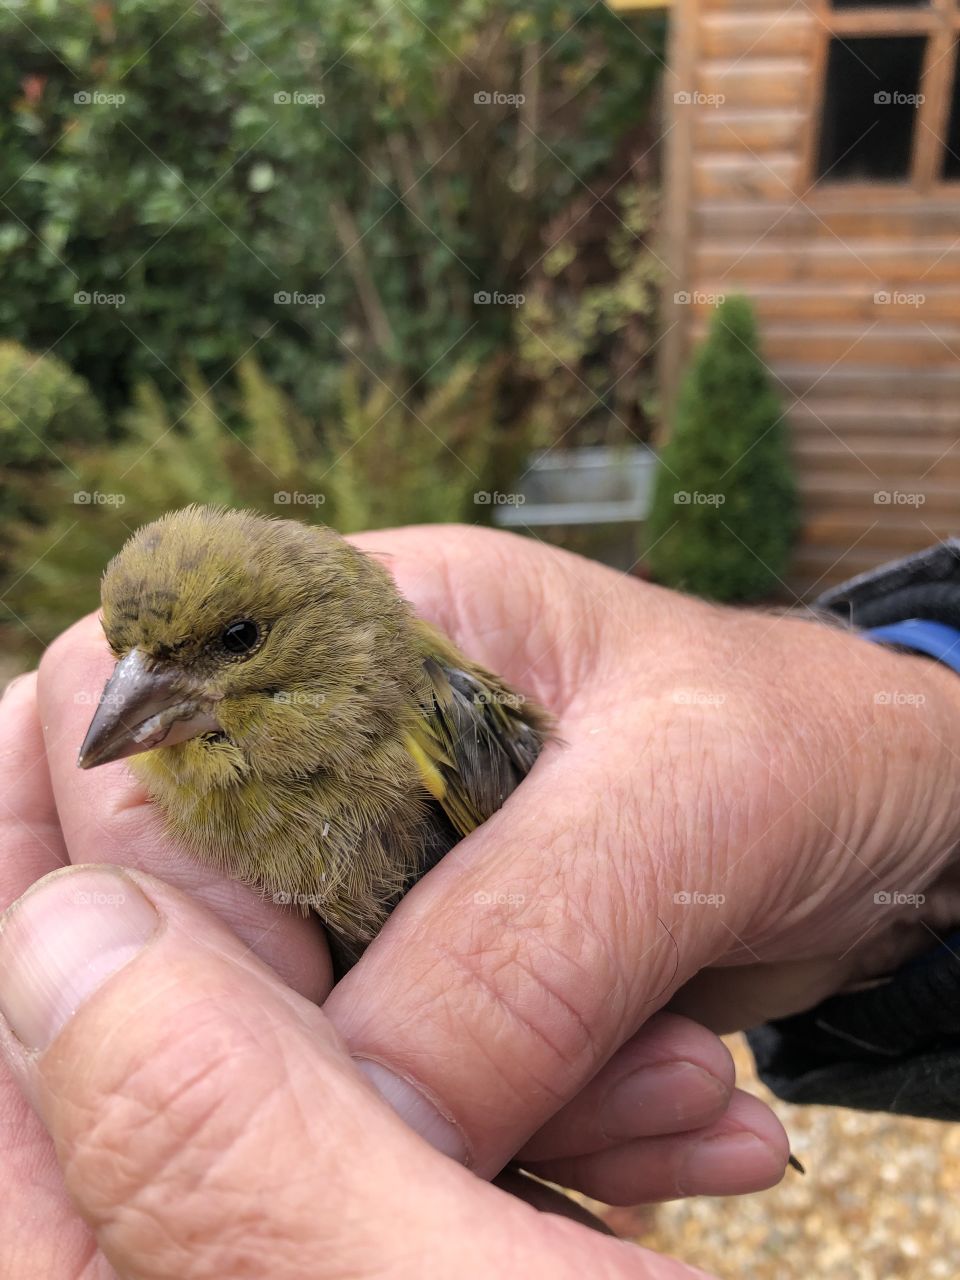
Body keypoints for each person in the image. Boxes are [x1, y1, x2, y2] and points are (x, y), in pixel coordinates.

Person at [1, 525, 958, 1280]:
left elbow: (543, 901)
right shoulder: (181, 769)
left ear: (327, 627)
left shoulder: (421, 710)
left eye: (236, 642)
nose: (144, 695)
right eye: (134, 661)